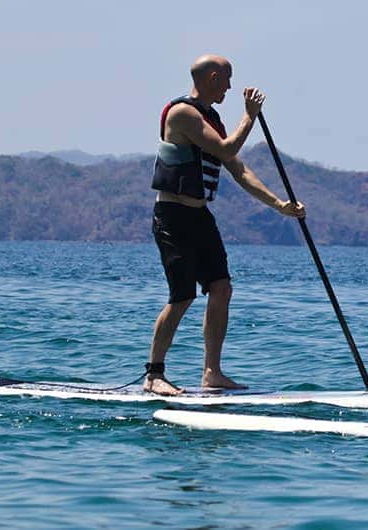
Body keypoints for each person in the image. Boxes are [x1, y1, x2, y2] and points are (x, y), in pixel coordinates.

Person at [146, 54, 305, 396]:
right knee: (182, 295)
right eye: (227, 80)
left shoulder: (211, 117)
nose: (231, 87)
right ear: (213, 77)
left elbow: (238, 168)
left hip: (200, 216)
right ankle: (154, 374)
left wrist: (279, 205)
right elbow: (226, 147)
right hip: (173, 216)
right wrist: (249, 117)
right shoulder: (183, 113)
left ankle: (212, 373)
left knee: (221, 288)